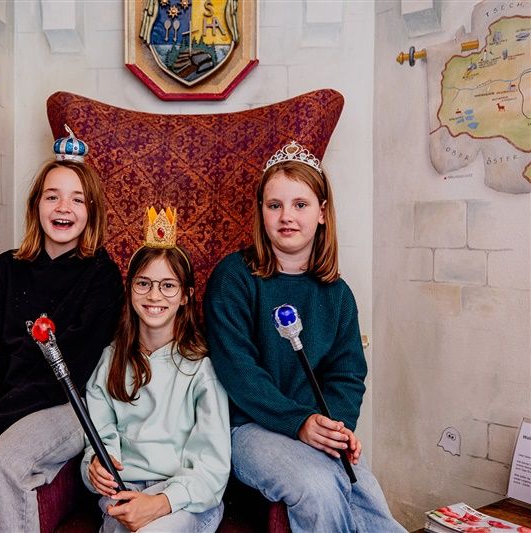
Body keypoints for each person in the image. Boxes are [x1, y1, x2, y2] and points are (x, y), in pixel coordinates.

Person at [204, 141, 405, 532]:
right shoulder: (234, 278)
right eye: (274, 205)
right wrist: (299, 422)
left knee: (369, 497)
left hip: (313, 426)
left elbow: (346, 375)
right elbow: (239, 371)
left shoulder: (337, 294)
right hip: (249, 429)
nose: (286, 217)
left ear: (322, 213)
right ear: (261, 211)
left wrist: (336, 429)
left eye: (300, 204)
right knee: (318, 486)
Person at [0, 126, 124, 533]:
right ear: (36, 204)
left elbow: (68, 370)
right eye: (52, 196)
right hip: (7, 406)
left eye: (76, 199)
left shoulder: (102, 276)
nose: (63, 208)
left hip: (66, 405)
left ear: (91, 210)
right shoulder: (6, 268)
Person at [82, 207, 230, 533]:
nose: (154, 296)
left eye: (168, 286)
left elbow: (212, 467)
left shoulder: (202, 369)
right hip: (126, 491)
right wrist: (95, 466)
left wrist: (160, 502)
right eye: (144, 283)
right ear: (129, 289)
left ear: (186, 296)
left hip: (185, 498)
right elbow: (99, 438)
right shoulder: (110, 362)